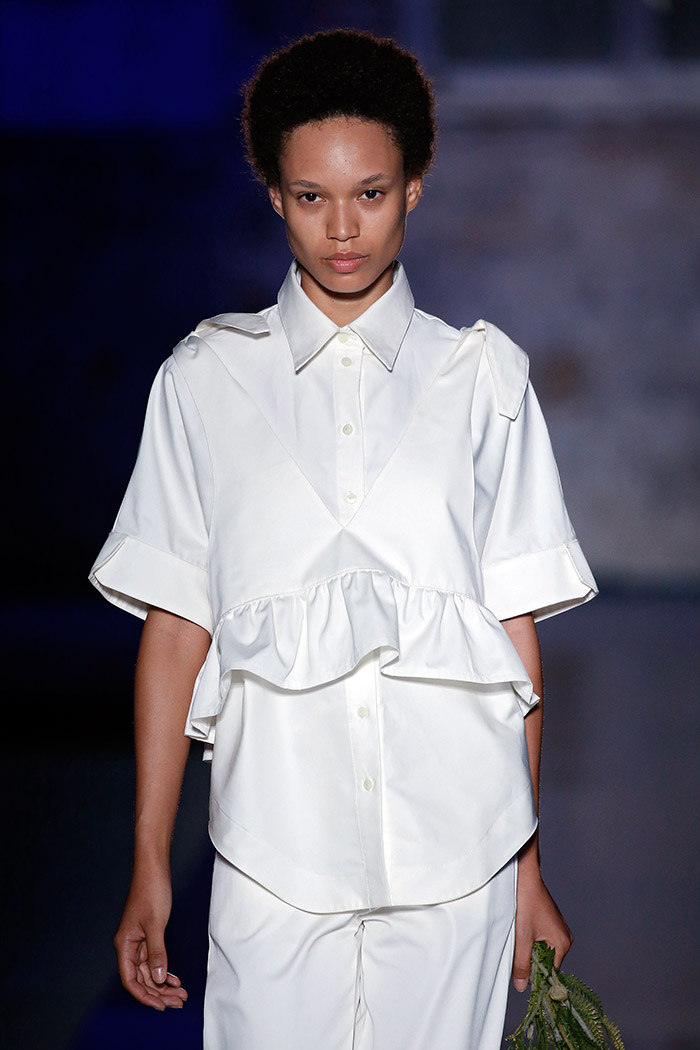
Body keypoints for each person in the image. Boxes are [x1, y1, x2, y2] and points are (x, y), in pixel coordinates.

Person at [89, 27, 598, 1050]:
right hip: (270, 856)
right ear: (275, 197)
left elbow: (511, 635)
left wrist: (524, 865)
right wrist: (148, 861)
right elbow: (176, 627)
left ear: (414, 187)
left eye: (369, 192)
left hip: (459, 862)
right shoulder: (204, 382)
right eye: (311, 196)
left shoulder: (482, 382)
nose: (342, 228)